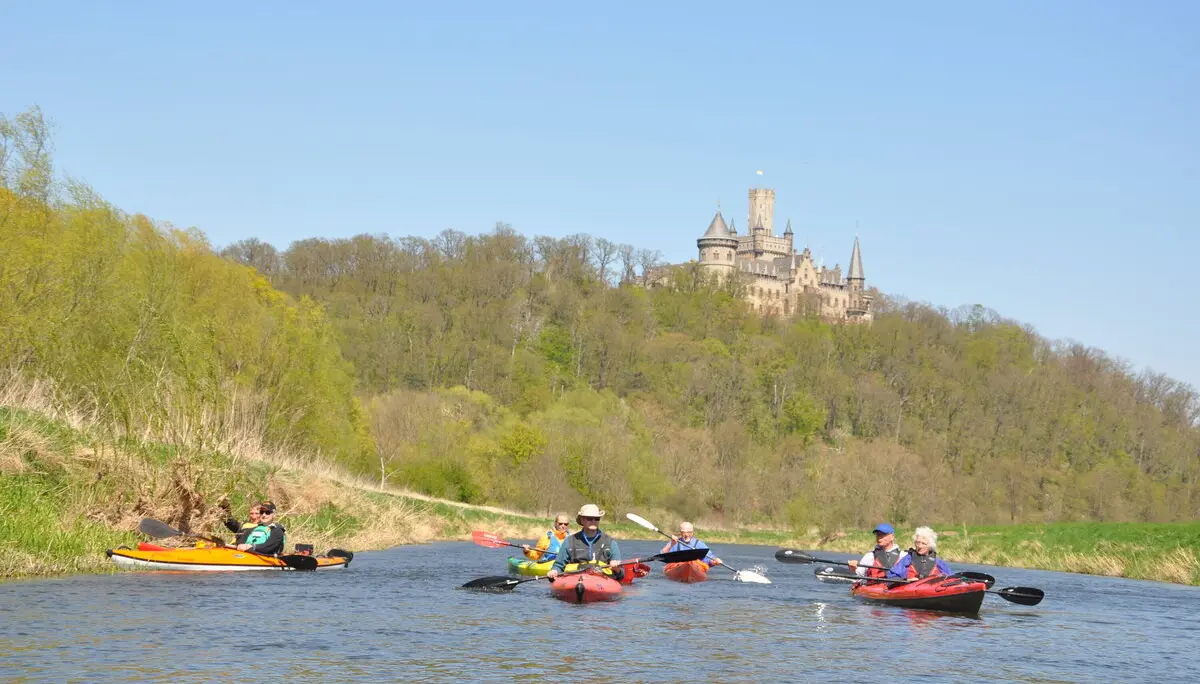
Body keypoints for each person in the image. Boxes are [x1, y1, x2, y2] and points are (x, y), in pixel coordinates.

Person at [546, 504, 623, 581]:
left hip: (603, 581)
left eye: (597, 518)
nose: (593, 521)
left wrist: (617, 569)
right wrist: (554, 571)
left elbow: (621, 574)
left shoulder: (610, 542)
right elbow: (558, 566)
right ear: (582, 520)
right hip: (575, 581)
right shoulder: (569, 541)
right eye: (589, 518)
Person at [887, 526, 953, 579]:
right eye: (917, 542)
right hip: (911, 590)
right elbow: (892, 576)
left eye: (923, 543)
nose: (920, 546)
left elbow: (951, 577)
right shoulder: (908, 558)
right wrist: (907, 580)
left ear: (930, 545)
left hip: (932, 590)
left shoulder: (937, 561)